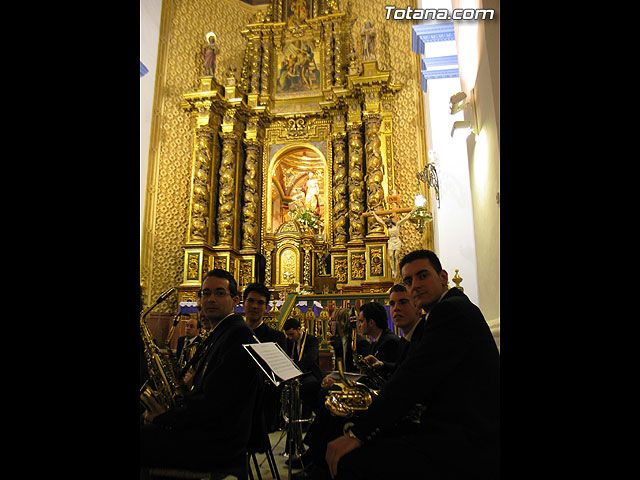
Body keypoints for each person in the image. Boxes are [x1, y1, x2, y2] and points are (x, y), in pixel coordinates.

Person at [325, 250, 500, 480]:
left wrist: (358, 433)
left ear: (443, 277)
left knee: (353, 460)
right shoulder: (452, 309)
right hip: (460, 428)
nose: (415, 285)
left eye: (423, 275)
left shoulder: (450, 310)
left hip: (469, 440)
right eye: (408, 281)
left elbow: (411, 379)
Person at [140, 269, 263, 471]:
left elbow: (214, 405)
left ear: (235, 300)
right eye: (206, 293)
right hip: (207, 431)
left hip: (216, 443)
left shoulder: (237, 336)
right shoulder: (223, 332)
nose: (211, 299)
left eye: (220, 293)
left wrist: (164, 417)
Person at [243, 282, 286, 432]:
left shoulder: (276, 337)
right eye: (251, 301)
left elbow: (278, 376)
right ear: (243, 303)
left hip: (261, 401)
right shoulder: (235, 333)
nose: (254, 306)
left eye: (260, 303)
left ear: (266, 308)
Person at [363, 283, 424, 376]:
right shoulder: (406, 338)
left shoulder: (426, 337)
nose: (396, 308)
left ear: (418, 308)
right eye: (392, 304)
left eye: (403, 302)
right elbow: (402, 367)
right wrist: (382, 365)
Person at [283, 317, 324, 420]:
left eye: (292, 334)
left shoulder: (311, 340)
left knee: (307, 386)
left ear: (299, 329)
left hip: (309, 373)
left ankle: (305, 418)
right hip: (294, 373)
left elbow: (310, 359)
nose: (290, 337)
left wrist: (296, 369)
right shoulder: (288, 341)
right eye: (287, 335)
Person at [368, 207, 415, 279]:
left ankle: (396, 271)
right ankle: (393, 270)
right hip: (391, 242)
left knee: (395, 256)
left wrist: (411, 212)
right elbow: (380, 221)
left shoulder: (397, 225)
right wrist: (374, 214)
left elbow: (405, 219)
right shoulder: (388, 227)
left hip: (397, 241)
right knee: (390, 256)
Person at [356, 302, 401, 366]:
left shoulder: (390, 342)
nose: (359, 325)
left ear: (371, 323)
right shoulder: (376, 341)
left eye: (361, 321)